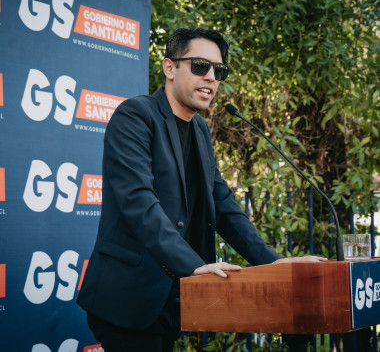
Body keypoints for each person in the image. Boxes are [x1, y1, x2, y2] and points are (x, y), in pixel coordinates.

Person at [77, 27, 326, 352]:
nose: (210, 77)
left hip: (175, 299)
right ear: (169, 68)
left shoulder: (200, 129)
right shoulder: (135, 116)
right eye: (199, 66)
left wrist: (271, 263)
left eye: (218, 70)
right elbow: (138, 202)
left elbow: (223, 205)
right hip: (128, 297)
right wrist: (192, 264)